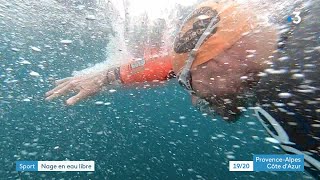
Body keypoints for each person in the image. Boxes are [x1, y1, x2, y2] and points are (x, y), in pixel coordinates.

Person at [45, 0, 319, 177]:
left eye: (187, 82)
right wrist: (109, 76)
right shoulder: (293, 23)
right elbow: (181, 62)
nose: (191, 97)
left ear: (221, 60)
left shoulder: (292, 98)